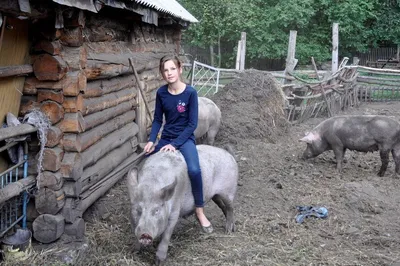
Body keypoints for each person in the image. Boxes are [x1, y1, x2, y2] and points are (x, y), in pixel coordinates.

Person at [143, 55, 213, 233]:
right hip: (165, 138)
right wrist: (152, 140)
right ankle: (149, 207)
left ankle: (199, 210)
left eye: (172, 69)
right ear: (162, 73)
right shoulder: (161, 93)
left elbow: (192, 124)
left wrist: (175, 144)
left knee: (195, 170)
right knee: (146, 164)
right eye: (165, 70)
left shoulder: (190, 93)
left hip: (185, 139)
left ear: (180, 69)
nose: (169, 73)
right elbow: (158, 119)